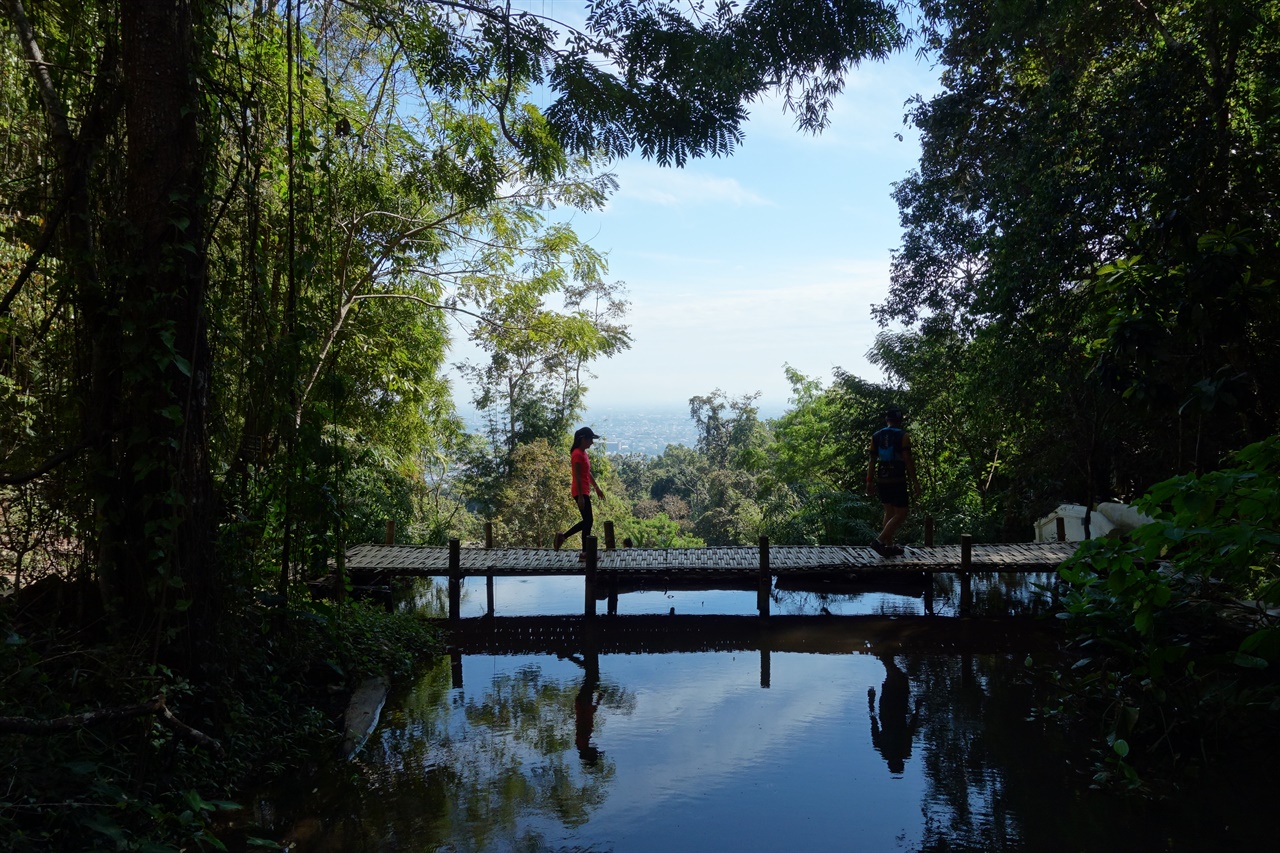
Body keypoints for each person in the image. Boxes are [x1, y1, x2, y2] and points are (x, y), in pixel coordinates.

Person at [866, 405, 920, 557]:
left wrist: (869, 481)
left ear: (886, 420)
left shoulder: (876, 436)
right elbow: (907, 460)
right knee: (901, 513)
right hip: (897, 478)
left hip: (882, 479)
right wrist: (915, 481)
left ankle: (889, 546)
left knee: (889, 512)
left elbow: (872, 460)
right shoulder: (903, 436)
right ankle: (880, 541)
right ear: (900, 421)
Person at [555, 427, 606, 554]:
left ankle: (566, 538)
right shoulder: (577, 454)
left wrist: (597, 488)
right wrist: (581, 497)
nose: (592, 443)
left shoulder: (583, 453)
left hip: (584, 491)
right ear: (583, 439)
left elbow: (587, 473)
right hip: (580, 491)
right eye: (590, 440)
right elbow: (577, 476)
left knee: (588, 521)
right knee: (588, 521)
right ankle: (583, 552)